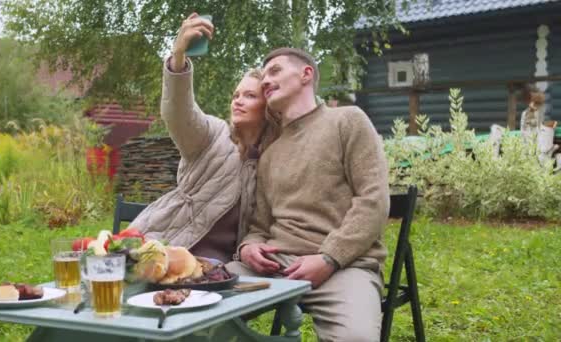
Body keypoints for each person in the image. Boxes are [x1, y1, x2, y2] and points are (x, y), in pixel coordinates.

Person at [227, 47, 390, 342]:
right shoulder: (270, 152)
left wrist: (329, 258)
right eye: (263, 76)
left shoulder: (347, 121)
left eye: (275, 71)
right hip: (274, 269)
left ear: (306, 74)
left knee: (357, 339)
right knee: (195, 307)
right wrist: (247, 248)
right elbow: (260, 226)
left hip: (343, 267)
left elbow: (373, 201)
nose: (265, 80)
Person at [129, 14, 279, 263]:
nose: (238, 100)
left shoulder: (275, 156)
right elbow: (179, 113)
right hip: (163, 244)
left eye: (250, 96)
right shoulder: (213, 134)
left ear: (268, 106)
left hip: (223, 267)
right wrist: (178, 58)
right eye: (235, 95)